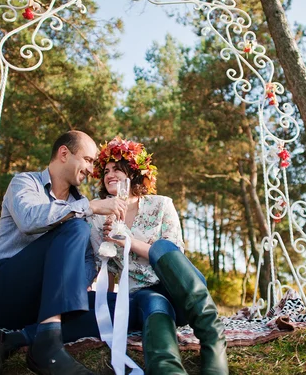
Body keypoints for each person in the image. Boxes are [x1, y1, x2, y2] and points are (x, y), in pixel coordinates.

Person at [0, 130, 127, 375]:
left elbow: (88, 262)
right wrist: (87, 207)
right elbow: (28, 220)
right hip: (4, 294)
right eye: (88, 160)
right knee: (76, 225)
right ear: (64, 153)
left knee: (129, 306)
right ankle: (48, 349)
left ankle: (13, 340)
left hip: (46, 305)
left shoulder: (82, 207)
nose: (92, 169)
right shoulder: (25, 183)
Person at [88, 136, 229, 374]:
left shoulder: (161, 204)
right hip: (142, 297)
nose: (110, 174)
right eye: (106, 170)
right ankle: (167, 369)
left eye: (117, 169)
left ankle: (213, 339)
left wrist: (128, 241)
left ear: (133, 173)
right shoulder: (100, 219)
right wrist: (107, 304)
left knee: (162, 247)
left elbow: (175, 256)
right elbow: (108, 273)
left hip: (182, 291)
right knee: (154, 302)